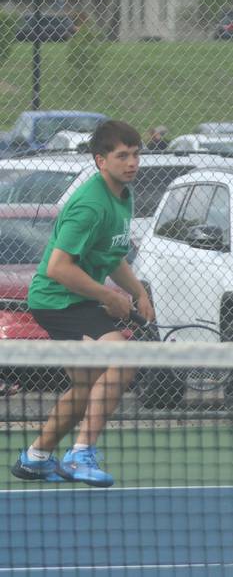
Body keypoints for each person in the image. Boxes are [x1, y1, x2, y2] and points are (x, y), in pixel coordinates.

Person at [11, 120, 155, 487]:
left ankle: (35, 458)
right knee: (123, 357)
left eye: (136, 154)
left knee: (86, 383)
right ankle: (79, 454)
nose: (132, 163)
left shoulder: (122, 195)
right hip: (58, 301)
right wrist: (108, 296)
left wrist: (137, 292)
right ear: (99, 161)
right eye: (122, 156)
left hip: (75, 300)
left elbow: (112, 255)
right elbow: (59, 268)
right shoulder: (89, 205)